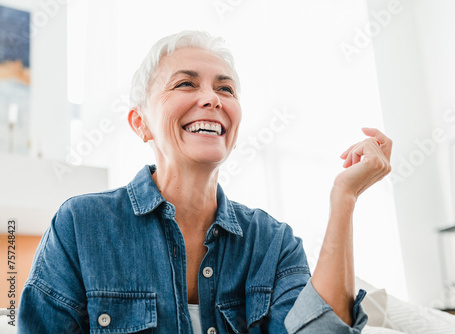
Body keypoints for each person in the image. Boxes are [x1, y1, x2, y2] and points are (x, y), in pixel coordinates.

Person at [18, 30, 392, 333]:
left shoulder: (273, 243)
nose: (212, 99)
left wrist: (345, 196)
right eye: (185, 84)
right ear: (140, 122)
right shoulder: (81, 226)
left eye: (225, 89)